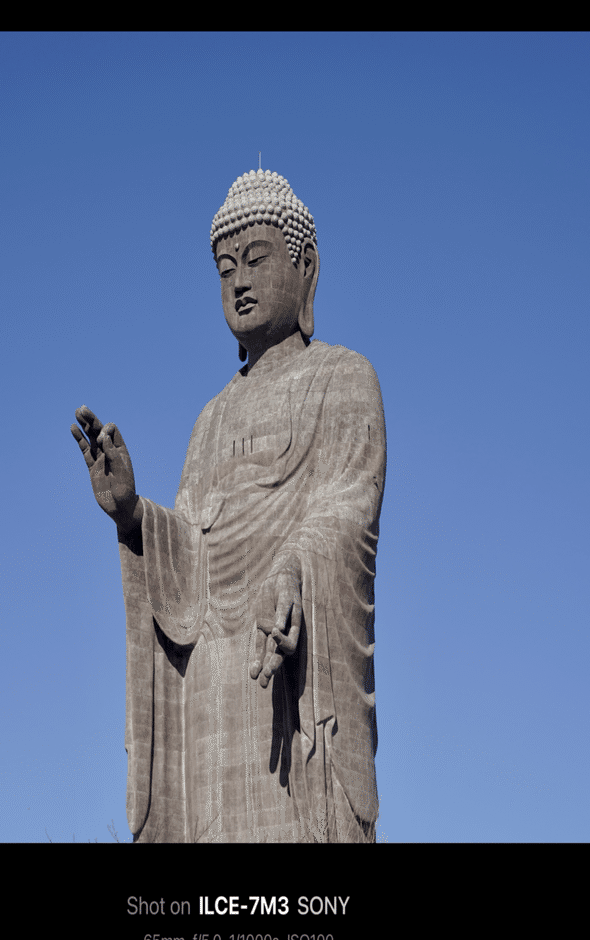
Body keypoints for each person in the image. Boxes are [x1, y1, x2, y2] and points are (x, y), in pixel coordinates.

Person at [72, 169, 386, 842]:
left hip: (288, 667)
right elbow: (190, 549)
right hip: (213, 679)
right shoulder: (211, 418)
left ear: (305, 268)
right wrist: (132, 515)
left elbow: (345, 505)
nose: (237, 282)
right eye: (223, 269)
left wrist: (293, 568)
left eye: (254, 260)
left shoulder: (343, 377)